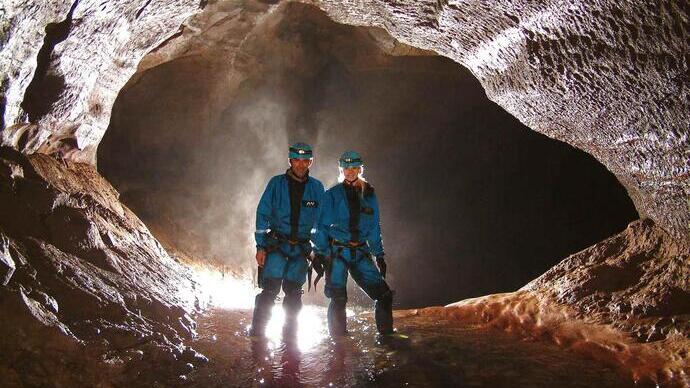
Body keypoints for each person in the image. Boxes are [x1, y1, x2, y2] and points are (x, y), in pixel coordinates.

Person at [313, 150, 393, 336]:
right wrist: (320, 252)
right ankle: (338, 341)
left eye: (353, 167)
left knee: (384, 295)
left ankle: (387, 337)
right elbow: (321, 226)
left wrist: (379, 254)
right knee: (338, 298)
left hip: (360, 252)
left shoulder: (369, 194)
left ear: (359, 168)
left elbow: (373, 226)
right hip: (338, 252)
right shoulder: (332, 195)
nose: (349, 171)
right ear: (341, 169)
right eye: (346, 168)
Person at [250, 142, 325, 336]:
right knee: (270, 291)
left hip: (300, 249)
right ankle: (257, 334)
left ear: (311, 162)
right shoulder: (276, 184)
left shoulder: (317, 188)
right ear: (290, 160)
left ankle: (289, 337)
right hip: (277, 245)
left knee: (293, 295)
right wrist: (260, 246)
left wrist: (318, 250)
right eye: (297, 160)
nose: (300, 165)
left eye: (305, 161)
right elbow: (262, 214)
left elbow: (321, 222)